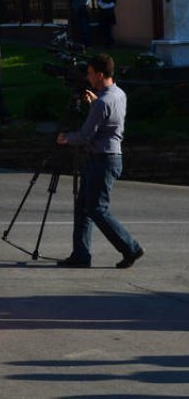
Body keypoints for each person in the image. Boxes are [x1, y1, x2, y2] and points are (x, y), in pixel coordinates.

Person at [56, 54, 144, 269]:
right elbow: (108, 119)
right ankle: (81, 254)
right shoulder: (118, 94)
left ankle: (130, 247)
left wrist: (65, 138)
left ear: (100, 74)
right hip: (108, 157)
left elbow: (86, 136)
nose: (88, 78)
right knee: (84, 206)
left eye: (90, 73)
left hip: (102, 160)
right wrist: (94, 103)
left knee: (96, 209)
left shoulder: (102, 102)